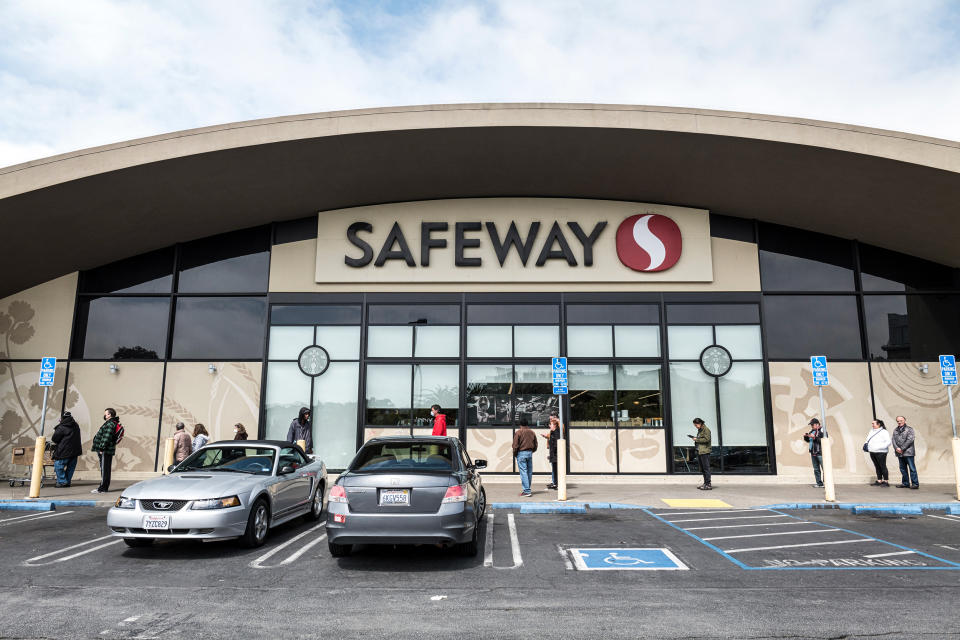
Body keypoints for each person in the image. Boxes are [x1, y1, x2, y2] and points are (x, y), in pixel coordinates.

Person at [90, 408, 119, 493]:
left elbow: (106, 437)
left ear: (110, 415)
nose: (104, 415)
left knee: (105, 469)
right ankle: (103, 487)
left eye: (106, 414)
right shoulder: (110, 423)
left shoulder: (110, 424)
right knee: (105, 469)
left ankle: (102, 488)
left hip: (105, 450)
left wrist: (102, 448)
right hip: (105, 450)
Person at [50, 411, 81, 488]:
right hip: (75, 451)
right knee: (71, 468)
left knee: (58, 465)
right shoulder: (76, 425)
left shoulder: (62, 427)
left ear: (63, 418)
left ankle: (62, 481)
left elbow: (55, 439)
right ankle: (67, 482)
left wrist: (60, 424)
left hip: (64, 451)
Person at [512, 418, 537, 497]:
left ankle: (527, 491)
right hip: (529, 453)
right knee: (529, 472)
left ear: (520, 425)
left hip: (521, 453)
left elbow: (515, 445)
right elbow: (535, 444)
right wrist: (532, 451)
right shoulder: (532, 432)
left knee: (523, 472)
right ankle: (527, 489)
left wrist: (515, 454)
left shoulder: (518, 432)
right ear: (527, 424)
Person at [893, 415, 919, 489]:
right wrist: (896, 448)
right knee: (902, 469)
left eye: (901, 420)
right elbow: (893, 440)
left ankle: (915, 484)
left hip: (908, 452)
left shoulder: (909, 429)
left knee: (912, 468)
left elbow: (910, 440)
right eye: (898, 421)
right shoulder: (895, 430)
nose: (899, 422)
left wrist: (902, 448)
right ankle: (905, 483)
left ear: (904, 420)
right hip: (899, 453)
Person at [865, 419, 891, 487]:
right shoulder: (871, 431)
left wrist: (879, 447)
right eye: (872, 423)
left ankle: (886, 481)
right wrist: (867, 445)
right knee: (877, 466)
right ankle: (879, 480)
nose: (872, 425)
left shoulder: (884, 432)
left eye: (873, 423)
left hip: (881, 452)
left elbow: (888, 442)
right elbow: (867, 439)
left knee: (883, 466)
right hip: (872, 451)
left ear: (878, 424)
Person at [688, 418, 712, 490]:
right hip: (700, 451)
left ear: (700, 423)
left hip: (705, 451)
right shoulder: (700, 430)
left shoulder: (706, 429)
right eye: (695, 425)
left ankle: (708, 484)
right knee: (702, 469)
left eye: (696, 425)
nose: (696, 426)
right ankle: (705, 483)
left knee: (706, 468)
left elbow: (707, 439)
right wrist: (695, 438)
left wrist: (697, 439)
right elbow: (701, 438)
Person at [802, 418, 825, 488]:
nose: (811, 426)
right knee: (816, 469)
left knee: (825, 469)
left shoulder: (822, 430)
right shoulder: (812, 431)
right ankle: (819, 483)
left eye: (812, 425)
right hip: (813, 452)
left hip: (820, 452)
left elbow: (823, 440)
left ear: (817, 424)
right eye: (811, 425)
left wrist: (814, 437)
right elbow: (809, 440)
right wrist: (806, 437)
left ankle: (827, 483)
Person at [540, 414, 561, 490]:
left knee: (556, 470)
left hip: (556, 455)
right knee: (554, 469)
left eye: (551, 424)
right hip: (554, 454)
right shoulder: (553, 432)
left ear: (555, 425)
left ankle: (557, 484)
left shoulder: (557, 432)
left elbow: (556, 445)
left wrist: (553, 454)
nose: (549, 425)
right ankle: (555, 483)